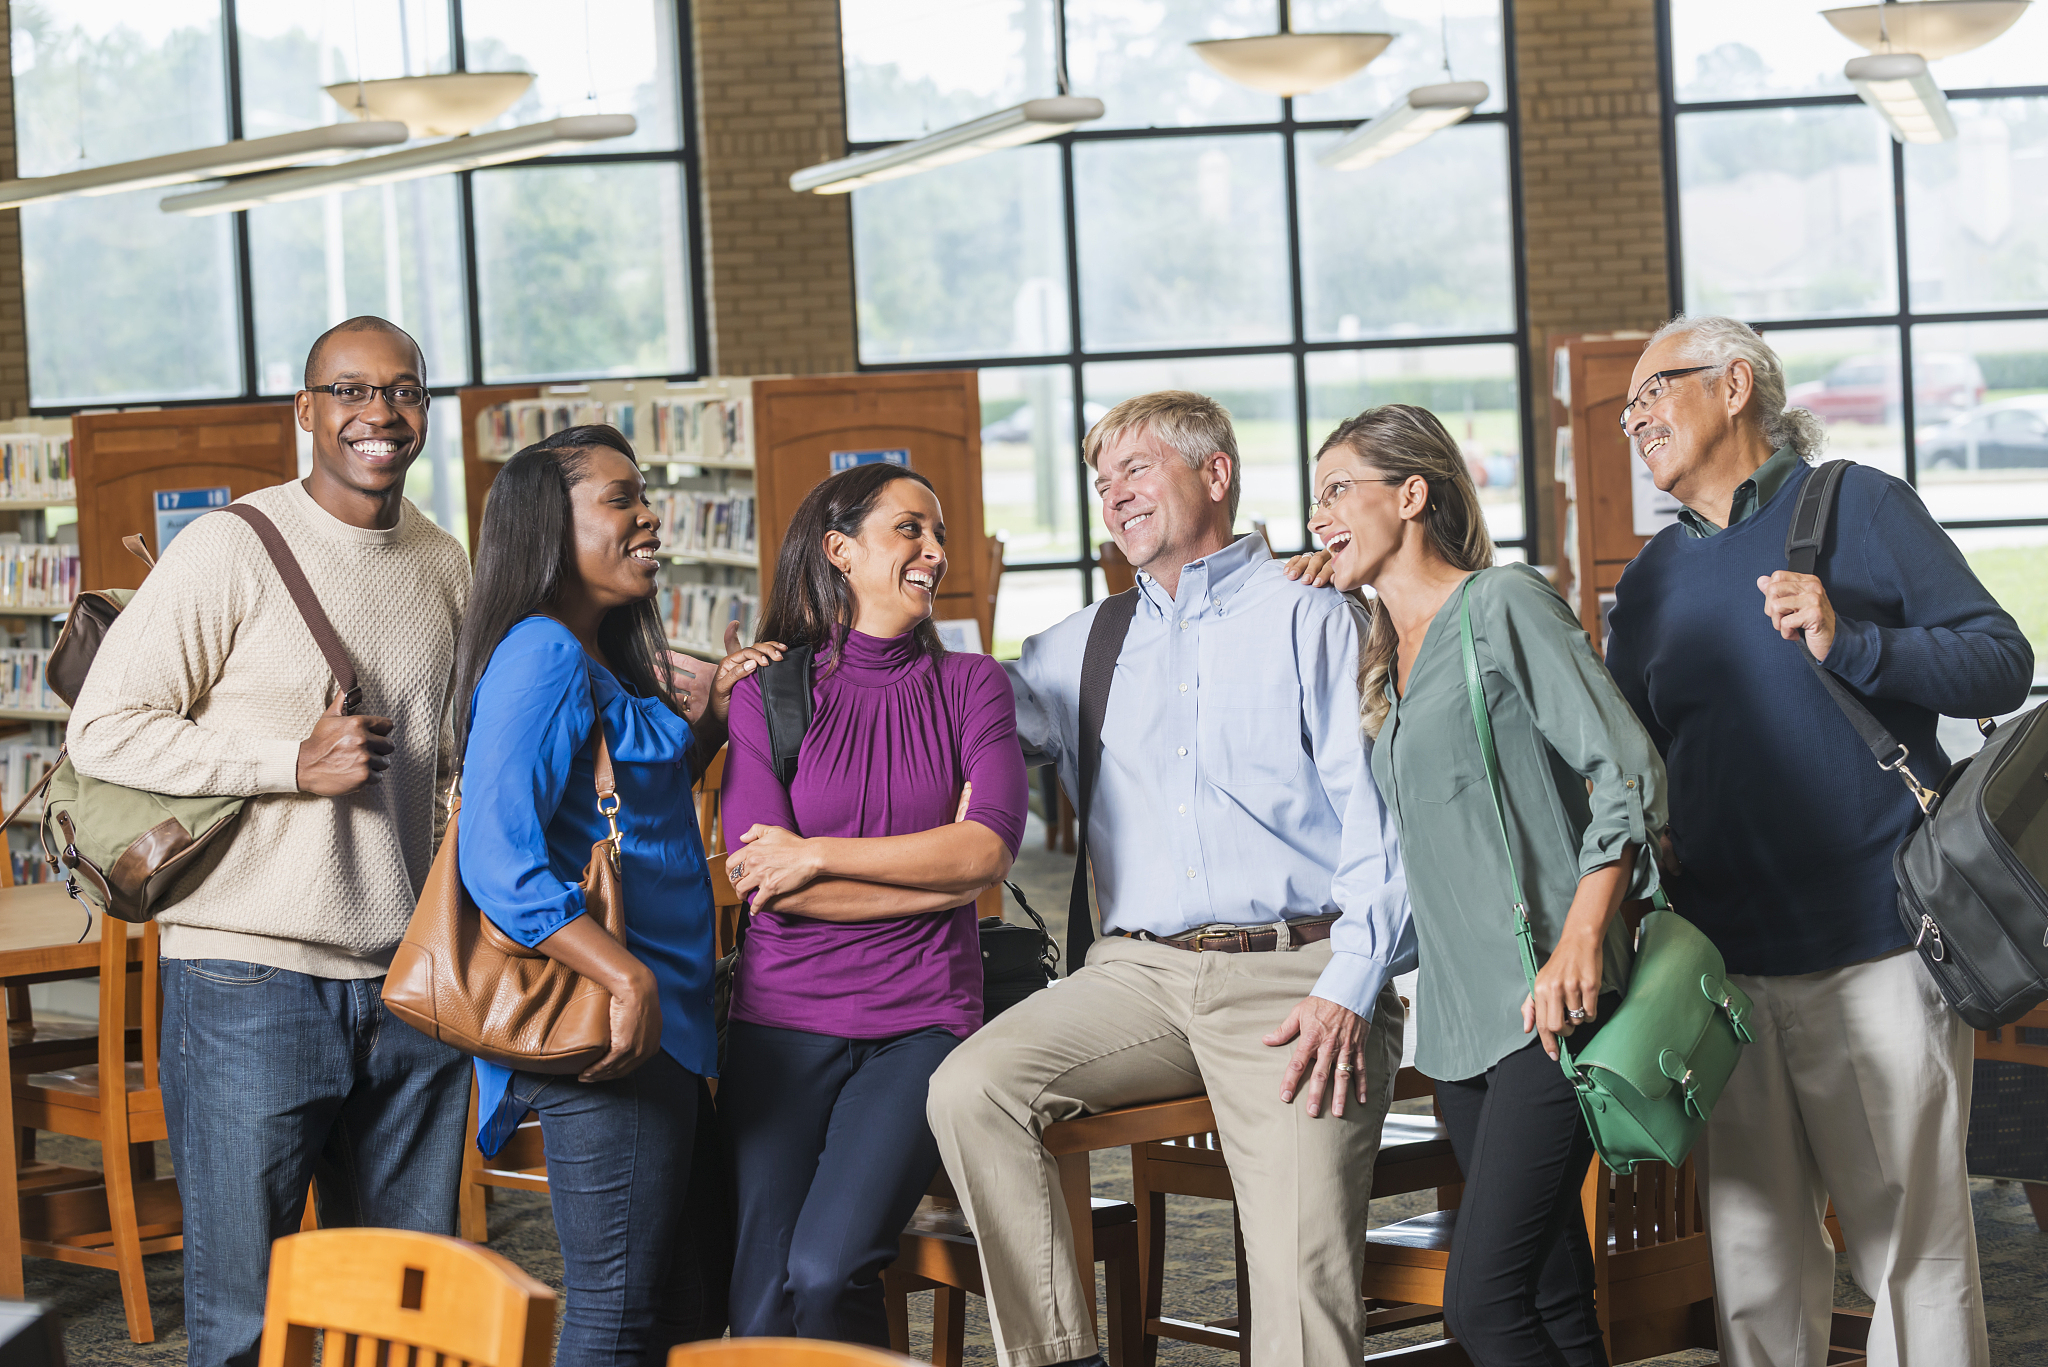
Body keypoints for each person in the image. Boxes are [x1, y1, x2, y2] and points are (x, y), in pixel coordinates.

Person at [926, 390, 1411, 1367]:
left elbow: (1382, 832)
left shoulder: (1311, 615)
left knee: (1300, 1287)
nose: (1113, 495)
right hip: (1135, 976)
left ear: (1214, 474)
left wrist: (1347, 991)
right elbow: (950, 711)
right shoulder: (1075, 646)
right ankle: (1061, 1356)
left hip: (1295, 976)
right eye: (1100, 482)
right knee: (972, 1086)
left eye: (1134, 470)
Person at [1604, 316, 2031, 1367]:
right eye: (1625, 409)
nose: (1635, 419)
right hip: (1722, 977)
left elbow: (1998, 664)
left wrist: (1855, 640)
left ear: (1733, 383)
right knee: (1751, 1262)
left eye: (1653, 391)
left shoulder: (1857, 505)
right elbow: (1633, 767)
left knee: (1907, 1250)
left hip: (1878, 947)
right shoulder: (1649, 583)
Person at [65, 317, 470, 1367]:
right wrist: (288, 761)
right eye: (349, 390)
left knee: (402, 1314)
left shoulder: (443, 563)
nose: (378, 413)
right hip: (249, 979)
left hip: (409, 981)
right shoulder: (228, 549)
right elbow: (103, 726)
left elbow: (450, 762)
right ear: (306, 410)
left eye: (402, 391)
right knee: (245, 1315)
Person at [1300, 403, 1665, 1366]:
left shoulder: (1502, 603)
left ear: (1411, 495)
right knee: (1549, 1292)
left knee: (1483, 1303)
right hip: (1459, 1027)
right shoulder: (1383, 658)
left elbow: (1625, 769)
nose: (1316, 514)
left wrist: (1583, 936)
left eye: (1337, 489)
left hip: (1552, 998)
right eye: (1312, 499)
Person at [453, 425, 773, 1366]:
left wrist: (711, 720)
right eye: (621, 500)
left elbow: (637, 804)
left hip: (659, 1020)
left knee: (681, 1295)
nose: (649, 518)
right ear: (550, 526)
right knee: (620, 1310)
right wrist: (625, 978)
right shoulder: (542, 654)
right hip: (607, 1024)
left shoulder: (595, 656)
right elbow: (497, 861)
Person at [715, 463, 1028, 1344]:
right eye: (909, 531)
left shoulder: (972, 684)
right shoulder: (769, 691)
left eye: (938, 533)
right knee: (758, 1307)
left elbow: (986, 849)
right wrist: (930, 878)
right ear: (841, 551)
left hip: (920, 1022)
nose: (933, 550)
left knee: (825, 1270)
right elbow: (760, 881)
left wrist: (817, 856)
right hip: (781, 1026)